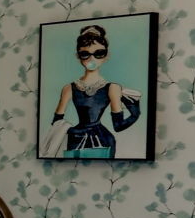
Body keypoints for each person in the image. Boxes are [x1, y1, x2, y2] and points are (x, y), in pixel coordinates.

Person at [48, 23, 141, 159]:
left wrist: (135, 113)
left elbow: (118, 126)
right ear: (78, 56)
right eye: (85, 54)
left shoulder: (113, 88)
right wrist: (135, 113)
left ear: (106, 56)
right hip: (76, 137)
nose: (92, 59)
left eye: (99, 53)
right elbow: (56, 122)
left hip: (102, 140)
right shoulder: (69, 88)